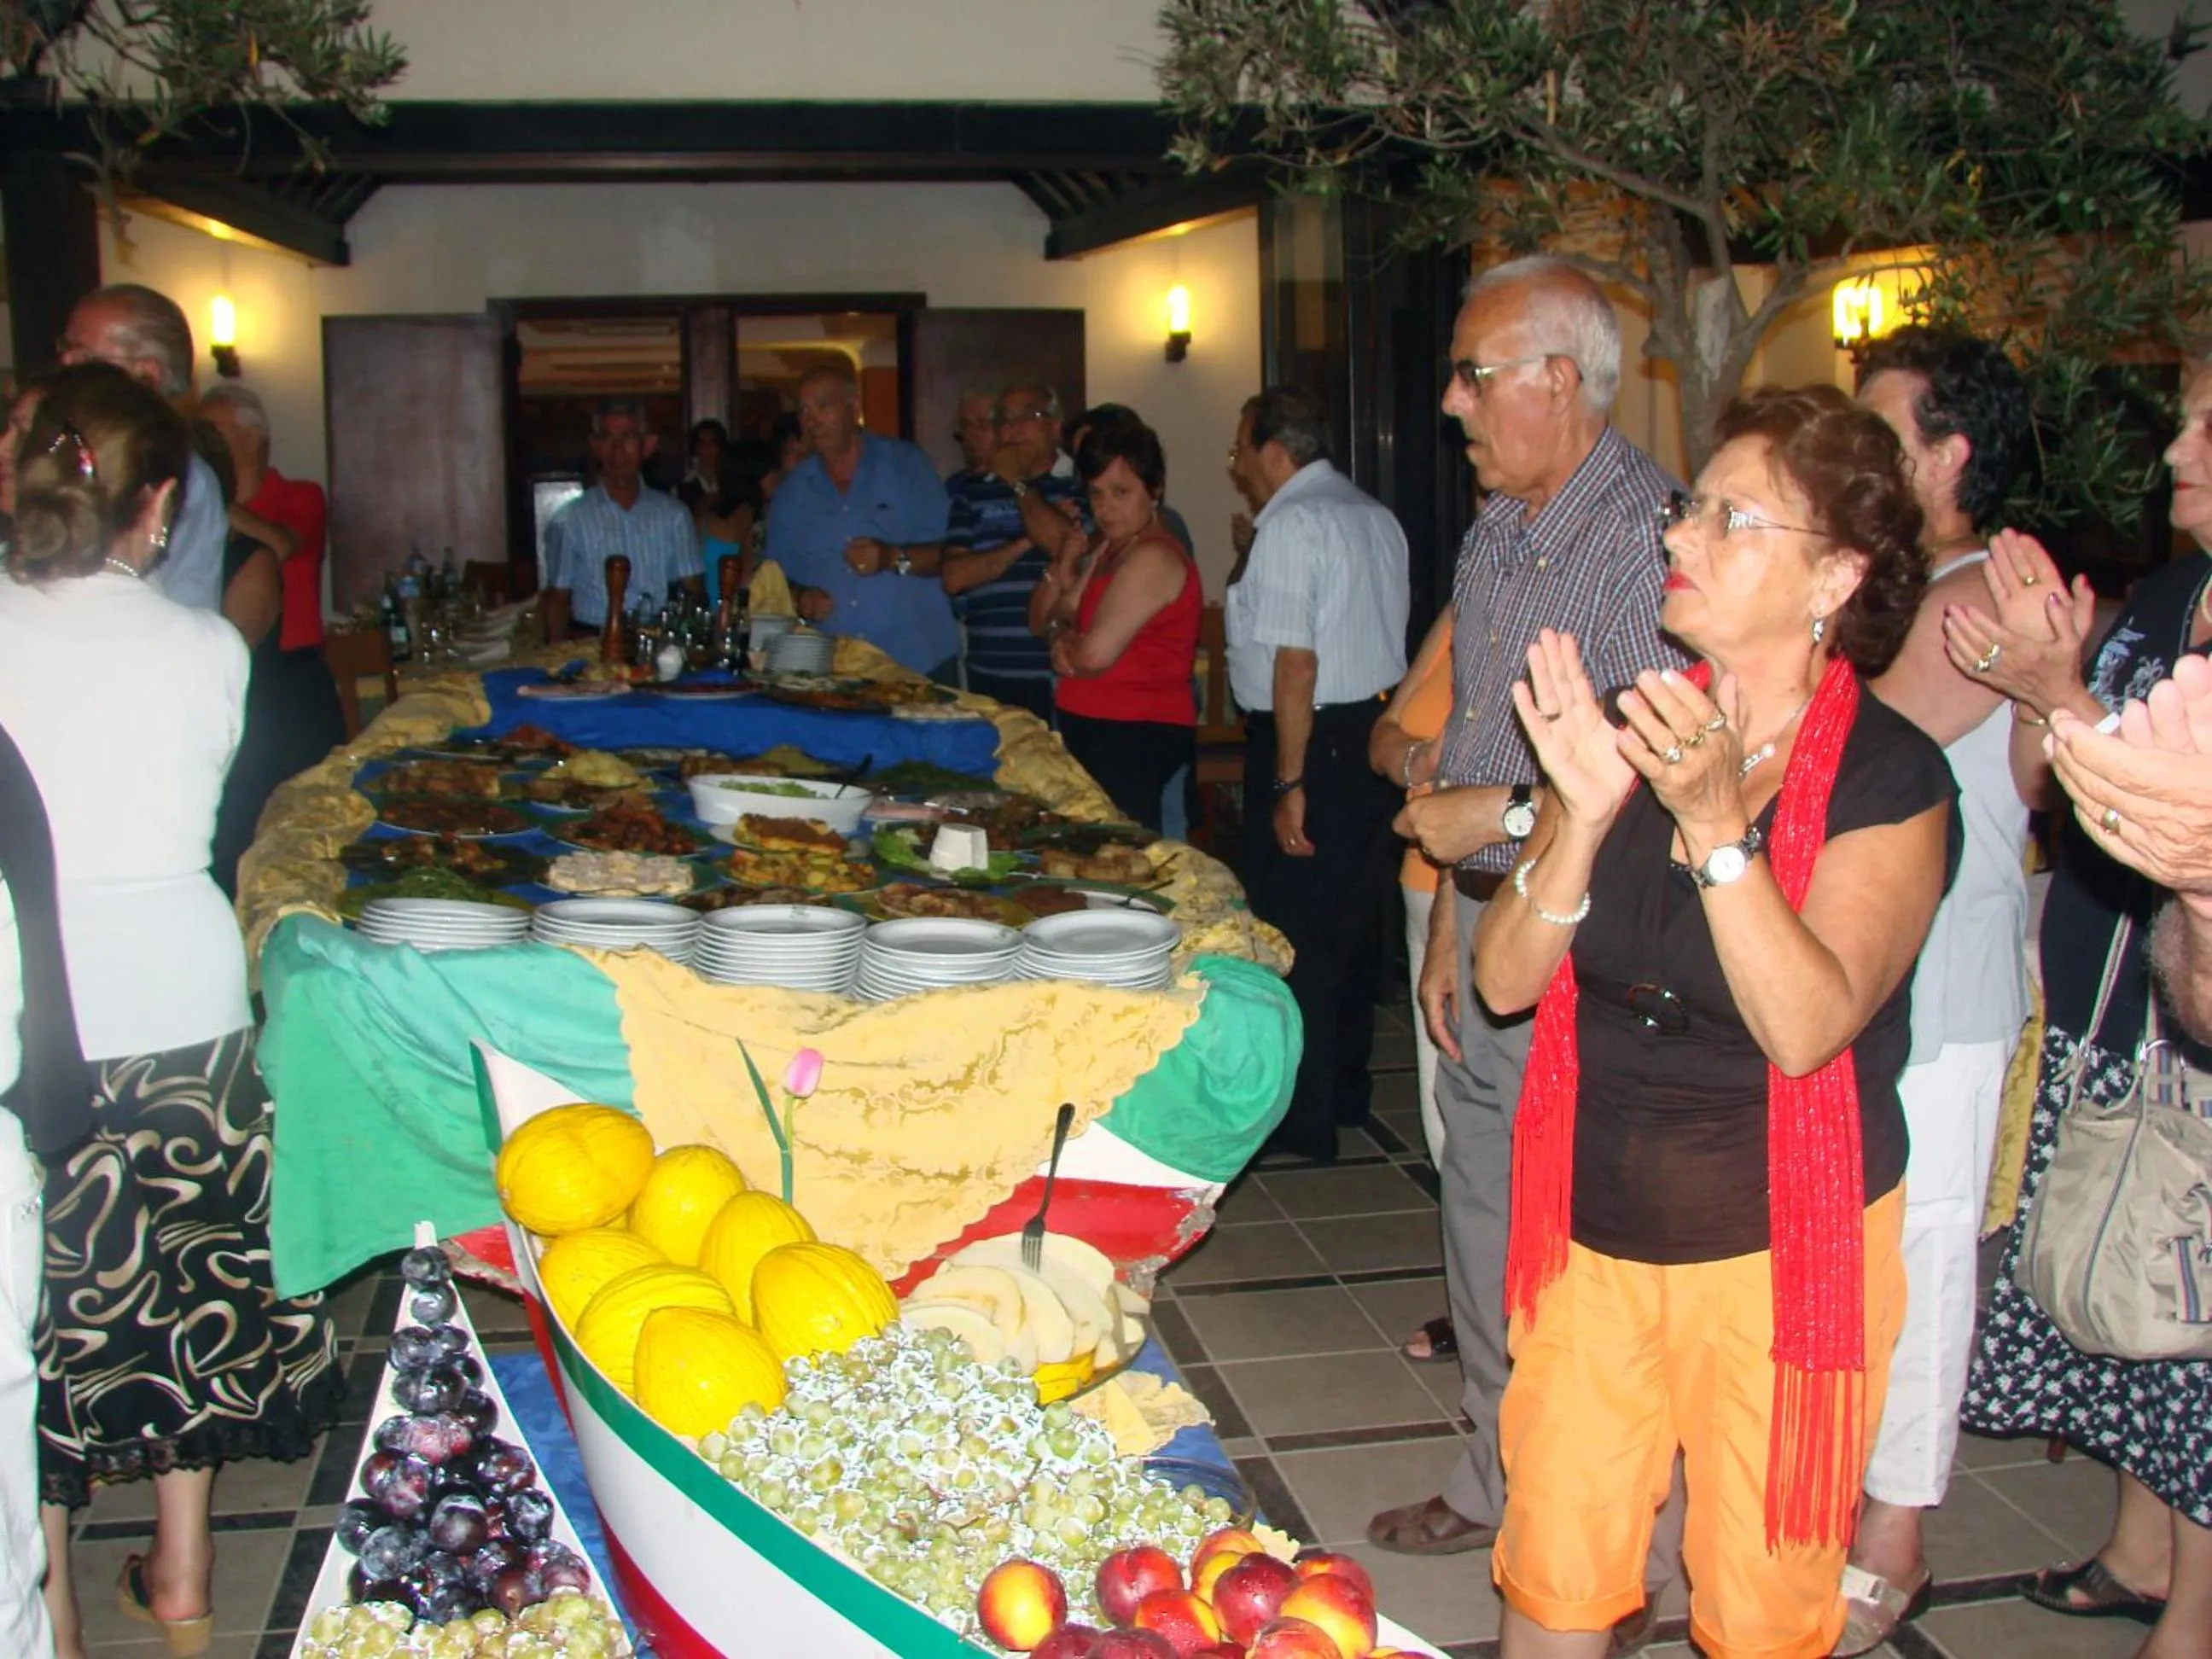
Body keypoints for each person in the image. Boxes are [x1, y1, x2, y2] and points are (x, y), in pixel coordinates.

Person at [1476, 385, 1949, 1659]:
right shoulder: (1641, 724)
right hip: (1592, 1235)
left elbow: (1810, 1028)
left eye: (1729, 519)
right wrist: (1577, 813)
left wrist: (1717, 829)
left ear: (1834, 577)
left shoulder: (1891, 776)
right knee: (1556, 1579)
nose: (1677, 538)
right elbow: (1506, 982)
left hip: (1781, 1251)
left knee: (1756, 1611)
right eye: (1689, 509)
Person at [0, 364, 345, 1659]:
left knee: (47, 1321)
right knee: (199, 1287)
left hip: (35, 1013)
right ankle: (189, 1567)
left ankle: (59, 1619)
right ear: (156, 510)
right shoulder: (206, 645)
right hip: (190, 1003)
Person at [1365, 260, 1684, 1612]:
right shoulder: (1503, 524)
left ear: (1560, 379)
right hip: (1494, 918)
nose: (1453, 402)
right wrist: (1447, 920)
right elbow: (1489, 731)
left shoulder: (1653, 536)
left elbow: (1623, 775)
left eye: (1474, 374)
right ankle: (1501, 1482)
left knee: (1596, 1259)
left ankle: (1633, 1541)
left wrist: (1470, 827)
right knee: (1486, 1229)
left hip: (1609, 949)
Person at [1949, 364, 2212, 1659]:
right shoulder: (2170, 598)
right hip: (2116, 994)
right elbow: (2064, 795)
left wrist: (2059, 693)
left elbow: (2164, 806)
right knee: (2126, 1288)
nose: (2179, 444)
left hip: (2200, 1024)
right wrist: (2047, 690)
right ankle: (2140, 1543)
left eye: (2211, 422)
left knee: (2193, 1300)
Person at [1832, 327, 2036, 1650]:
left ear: (1952, 455)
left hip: (1950, 995)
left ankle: (1894, 1526)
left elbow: (1858, 737)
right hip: (1884, 983)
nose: (1858, 459)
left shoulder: (1981, 596)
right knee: (1864, 1262)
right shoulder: (1911, 591)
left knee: (1925, 1261)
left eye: (1882, 436)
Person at [1225, 385, 1409, 1161]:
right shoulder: (1376, 516)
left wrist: (1287, 783)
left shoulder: (1295, 524)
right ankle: (1342, 1092)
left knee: (1295, 930)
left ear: (1275, 448)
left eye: (1241, 445)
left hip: (1310, 742)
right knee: (1352, 927)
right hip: (1372, 731)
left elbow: (1296, 666)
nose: (1234, 462)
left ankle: (1300, 1120)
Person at [1030, 416, 1200, 829]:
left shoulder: (1154, 556)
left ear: (1155, 490)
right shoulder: (1112, 548)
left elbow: (1092, 653)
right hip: (1100, 730)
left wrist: (1065, 642)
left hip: (1133, 735)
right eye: (1097, 494)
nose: (1105, 508)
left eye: (1121, 493)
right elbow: (1053, 619)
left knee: (1125, 864)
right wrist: (1061, 633)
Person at [1368, 614, 1459, 1364]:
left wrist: (1432, 766)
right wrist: (1423, 760)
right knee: (1443, 1120)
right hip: (1427, 881)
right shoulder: (1475, 590)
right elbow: (1386, 732)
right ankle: (1475, 1301)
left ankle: (1510, 1313)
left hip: (1509, 885)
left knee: (1499, 1123)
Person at [764, 364, 957, 678]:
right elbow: (773, 577)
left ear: (854, 408)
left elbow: (952, 553)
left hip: (915, 662)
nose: (811, 421)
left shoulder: (905, 465)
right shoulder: (794, 490)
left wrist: (891, 557)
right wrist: (801, 596)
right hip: (835, 671)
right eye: (804, 410)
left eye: (824, 406)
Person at [57, 283, 231, 614]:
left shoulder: (185, 481)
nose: (66, 365)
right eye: (65, 351)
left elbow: (180, 610)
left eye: (83, 357)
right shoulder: (55, 450)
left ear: (146, 374)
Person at [942, 381, 1086, 721]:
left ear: (1054, 426)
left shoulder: (1077, 486)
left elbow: (1064, 546)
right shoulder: (971, 493)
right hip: (986, 672)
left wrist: (1018, 485)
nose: (1012, 428)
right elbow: (954, 577)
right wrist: (1025, 540)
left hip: (1054, 671)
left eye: (1028, 416)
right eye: (1005, 419)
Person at [543, 399, 702, 631]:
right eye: (607, 438)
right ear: (596, 446)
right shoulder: (569, 520)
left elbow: (693, 590)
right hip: (592, 642)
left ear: (647, 445)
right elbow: (557, 600)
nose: (617, 451)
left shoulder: (674, 516)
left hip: (656, 641)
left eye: (627, 438)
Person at [197, 381, 331, 653]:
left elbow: (280, 545)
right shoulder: (202, 509)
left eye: (210, 429)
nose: (201, 442)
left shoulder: (301, 495)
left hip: (292, 661)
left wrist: (211, 498)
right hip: (227, 651)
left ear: (250, 436)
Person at [948, 387, 999, 486]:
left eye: (982, 424)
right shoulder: (954, 486)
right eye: (965, 425)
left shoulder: (1020, 486)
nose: (969, 435)